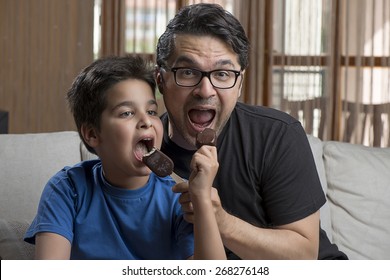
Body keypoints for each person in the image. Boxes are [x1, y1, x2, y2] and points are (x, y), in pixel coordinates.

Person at [155, 3, 348, 260]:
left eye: (222, 74)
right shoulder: (142, 151)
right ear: (160, 80)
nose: (205, 90)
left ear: (240, 84)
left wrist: (218, 219)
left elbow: (303, 256)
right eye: (188, 72)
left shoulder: (276, 135)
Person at [24, 55, 225, 260]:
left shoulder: (177, 198)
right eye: (127, 113)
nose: (146, 121)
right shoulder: (67, 189)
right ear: (93, 134)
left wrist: (203, 205)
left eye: (151, 111)